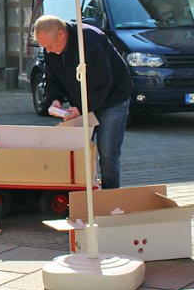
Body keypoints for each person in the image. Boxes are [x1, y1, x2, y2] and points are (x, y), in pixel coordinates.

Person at [33, 15, 132, 190]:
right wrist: (55, 99)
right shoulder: (51, 49)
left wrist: (79, 108)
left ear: (61, 34)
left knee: (108, 153)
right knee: (79, 151)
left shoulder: (90, 40)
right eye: (44, 47)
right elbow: (52, 78)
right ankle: (83, 192)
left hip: (112, 99)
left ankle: (110, 194)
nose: (48, 51)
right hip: (83, 100)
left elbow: (102, 81)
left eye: (49, 46)